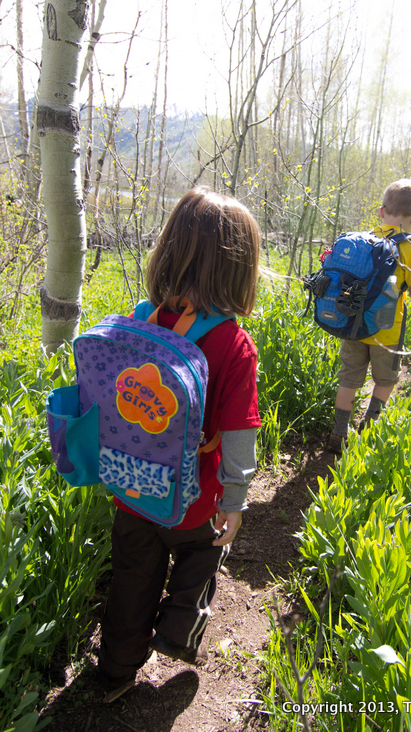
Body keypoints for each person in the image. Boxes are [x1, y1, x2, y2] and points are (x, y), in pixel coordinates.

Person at [98, 186, 261, 701]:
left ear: (169, 248)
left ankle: (116, 671)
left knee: (130, 577)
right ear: (240, 270)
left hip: (132, 487)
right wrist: (234, 501)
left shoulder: (140, 317)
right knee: (199, 562)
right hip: (193, 500)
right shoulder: (234, 345)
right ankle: (178, 634)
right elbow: (238, 434)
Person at [329, 179, 411, 453]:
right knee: (386, 380)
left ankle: (338, 434)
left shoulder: (365, 240)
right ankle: (369, 429)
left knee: (349, 379)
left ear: (381, 211)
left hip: (353, 325)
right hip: (387, 332)